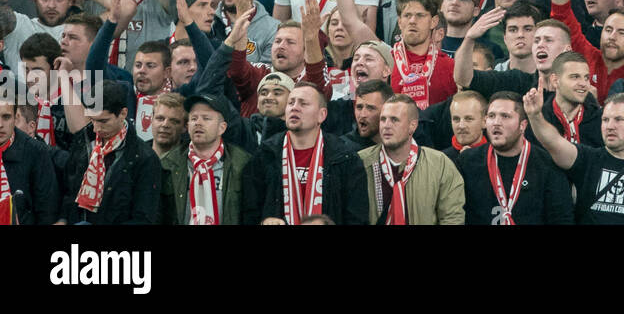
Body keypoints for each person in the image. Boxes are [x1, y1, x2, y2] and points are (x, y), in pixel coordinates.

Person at [522, 88, 624, 224]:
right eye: (605, 120)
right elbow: (553, 142)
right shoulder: (587, 159)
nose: (610, 126)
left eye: (619, 119)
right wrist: (535, 115)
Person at [456, 90, 574, 224]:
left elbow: (561, 218)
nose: (496, 122)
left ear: (522, 125)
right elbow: (455, 214)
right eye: (491, 116)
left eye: (505, 116)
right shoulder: (467, 162)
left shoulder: (546, 164)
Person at [258, 82, 367, 224]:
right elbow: (250, 211)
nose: (294, 108)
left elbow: (357, 217)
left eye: (303, 104)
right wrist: (264, 221)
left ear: (321, 115)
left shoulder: (346, 158)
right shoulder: (265, 155)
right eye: (291, 103)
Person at [62, 80, 160, 224]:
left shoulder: (144, 158)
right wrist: (63, 218)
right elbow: (69, 191)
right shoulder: (83, 141)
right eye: (92, 120)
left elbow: (143, 216)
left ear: (123, 113)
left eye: (103, 121)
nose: (96, 128)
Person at [358, 94, 465, 224]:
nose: (386, 125)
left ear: (412, 126)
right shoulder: (360, 162)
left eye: (394, 120)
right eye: (383, 119)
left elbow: (452, 218)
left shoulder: (439, 164)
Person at [158, 93, 262, 224]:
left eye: (206, 118)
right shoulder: (167, 164)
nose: (198, 123)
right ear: (188, 125)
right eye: (194, 118)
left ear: (222, 128)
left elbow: (251, 214)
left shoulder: (243, 163)